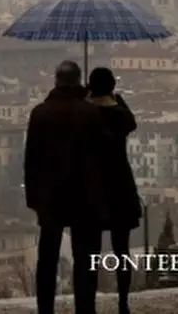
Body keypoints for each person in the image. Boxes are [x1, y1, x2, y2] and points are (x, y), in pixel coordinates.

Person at [25, 60, 108, 314]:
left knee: (47, 260)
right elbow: (100, 158)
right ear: (78, 81)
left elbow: (31, 160)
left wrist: (34, 200)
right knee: (85, 259)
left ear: (56, 80)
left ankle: (45, 309)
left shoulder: (40, 113)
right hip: (85, 196)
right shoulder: (91, 113)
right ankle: (85, 309)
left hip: (50, 197)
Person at [86, 67, 141, 314]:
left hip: (93, 187)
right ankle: (123, 302)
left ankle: (88, 302)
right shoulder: (120, 115)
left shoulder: (86, 115)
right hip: (120, 185)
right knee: (122, 250)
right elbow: (132, 121)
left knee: (90, 250)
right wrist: (118, 98)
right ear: (111, 87)